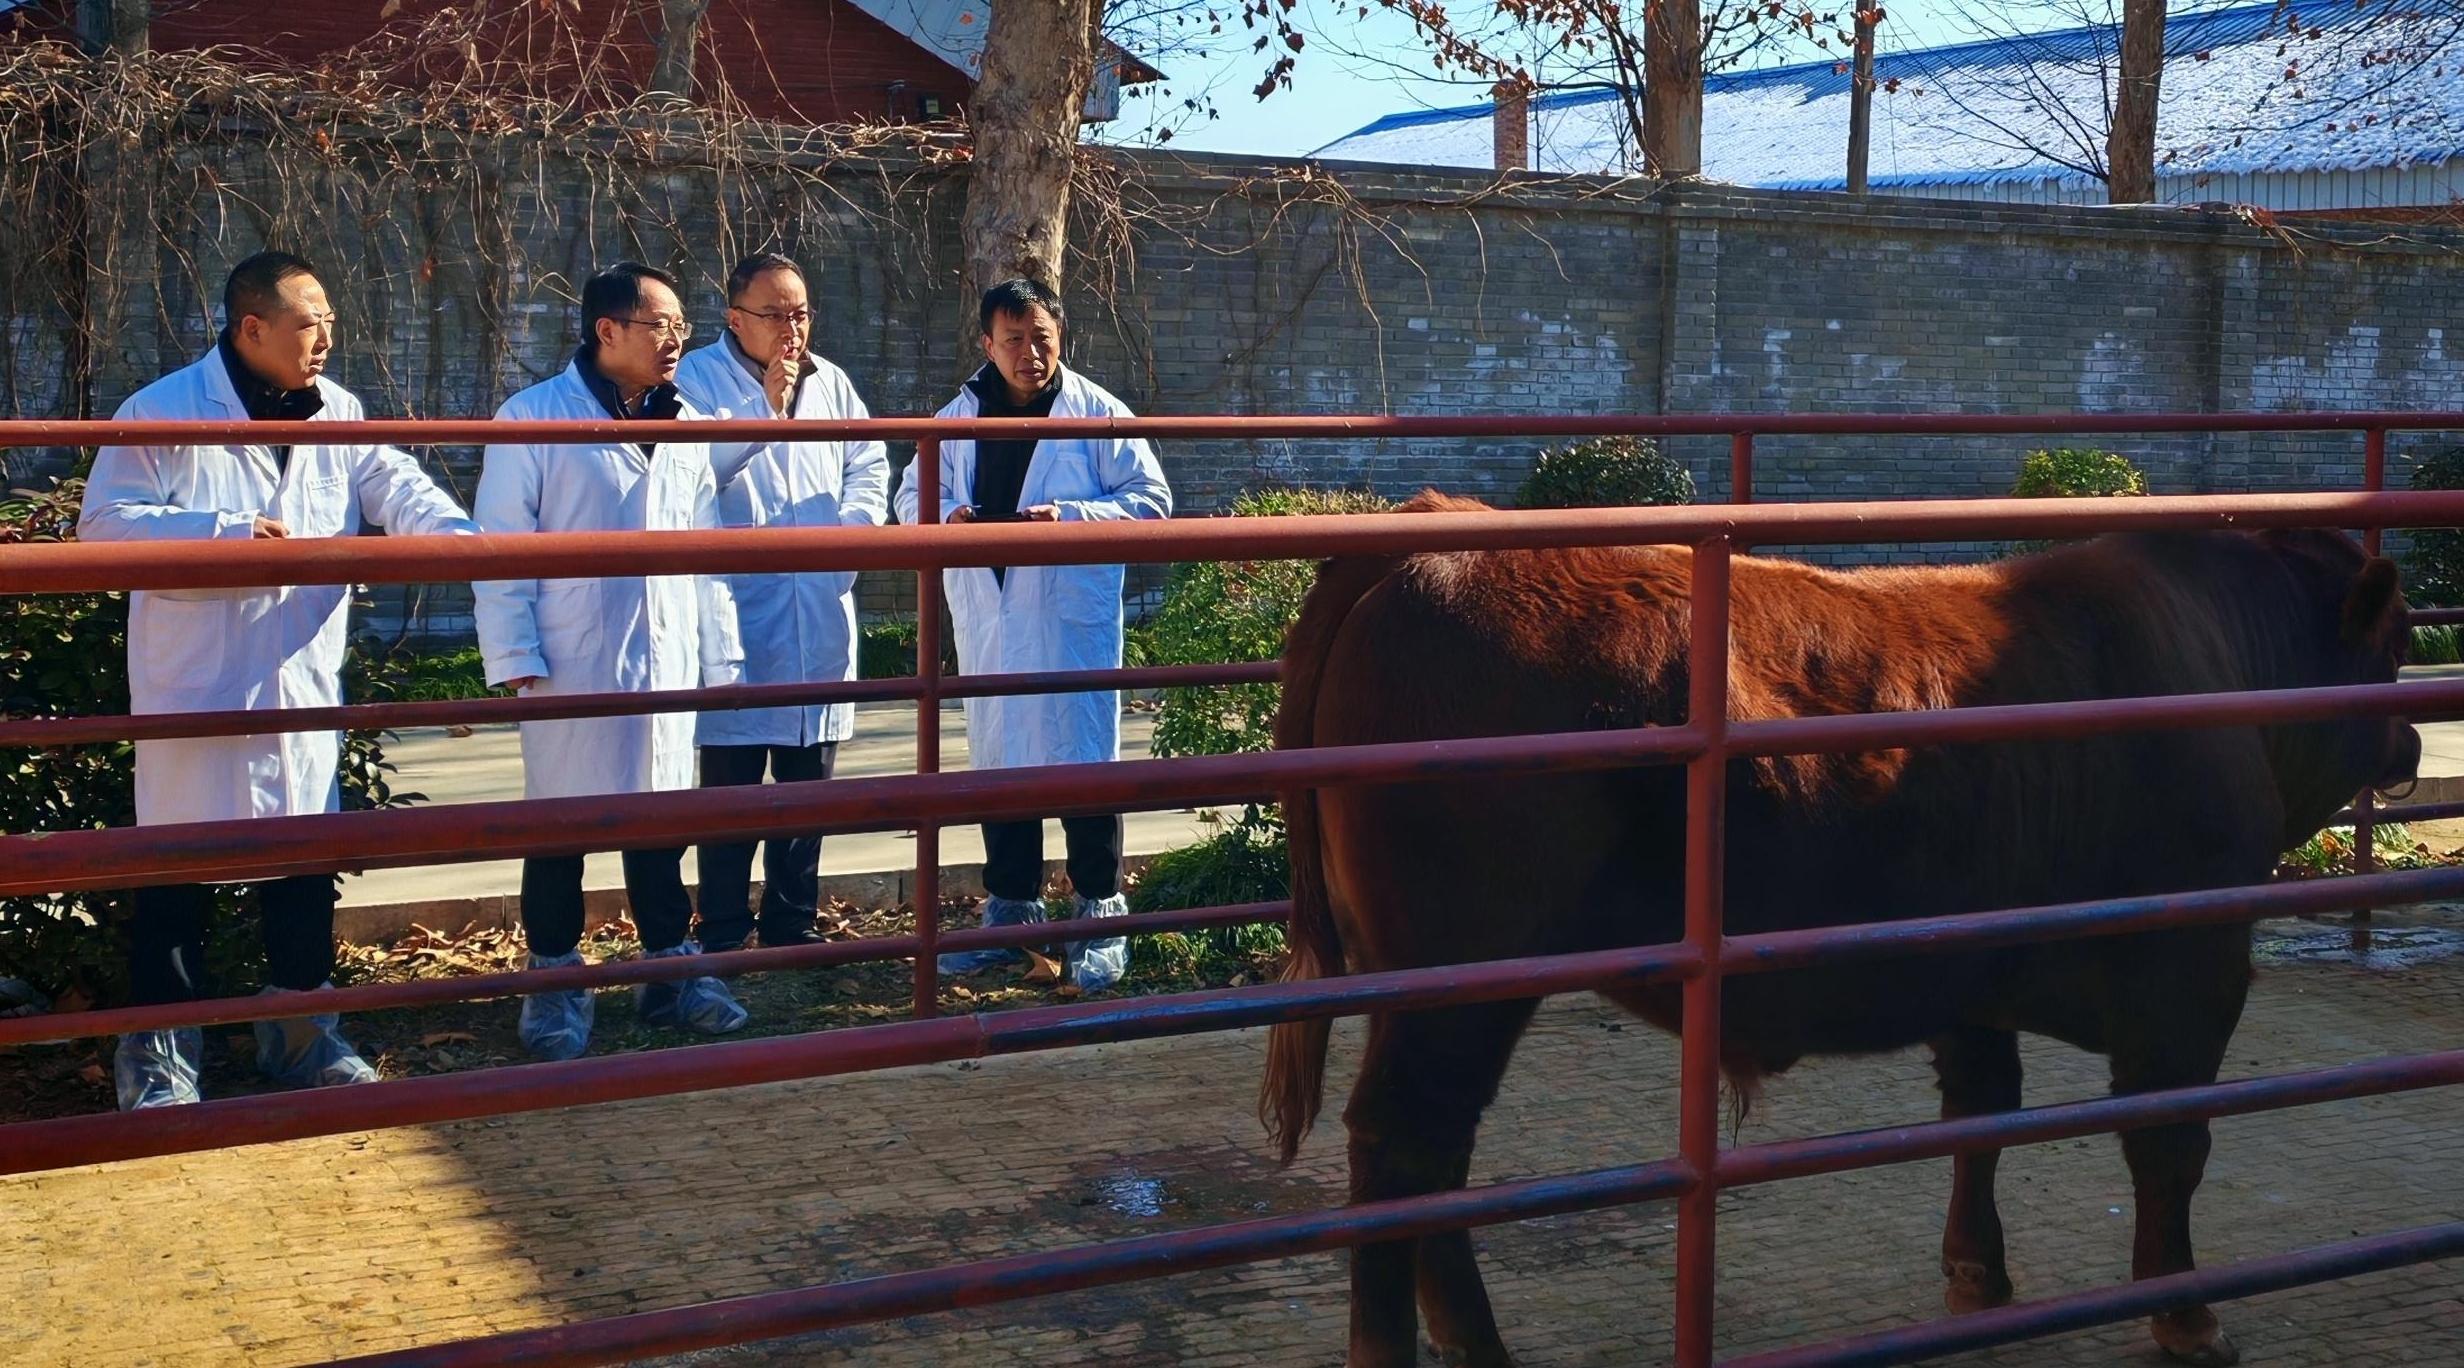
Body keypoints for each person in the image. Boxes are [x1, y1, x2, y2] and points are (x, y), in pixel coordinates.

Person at [78, 250, 478, 1109]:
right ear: (251, 327)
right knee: (174, 874)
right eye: (308, 322)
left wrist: (459, 536)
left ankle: (302, 1035)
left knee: (302, 866)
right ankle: (161, 1059)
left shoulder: (340, 411)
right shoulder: (161, 411)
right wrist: (224, 534)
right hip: (199, 683)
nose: (326, 337)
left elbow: (394, 483)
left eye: (330, 320)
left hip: (298, 680)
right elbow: (104, 525)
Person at [473, 261, 747, 1060]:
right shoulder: (531, 419)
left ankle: (672, 975)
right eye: (662, 326)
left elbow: (710, 553)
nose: (677, 342)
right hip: (569, 660)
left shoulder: (686, 425)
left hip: (665, 661)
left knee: (660, 828)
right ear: (607, 332)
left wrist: (719, 657)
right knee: (559, 829)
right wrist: (515, 652)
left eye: (679, 328)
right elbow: (500, 550)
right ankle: (554, 983)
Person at [893, 277, 1171, 991]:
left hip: (1068, 623)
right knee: (1002, 765)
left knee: (1084, 762)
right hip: (992, 623)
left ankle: (1097, 913)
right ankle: (1011, 908)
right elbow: (908, 498)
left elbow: (1151, 503)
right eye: (1013, 340)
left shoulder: (1100, 415)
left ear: (1060, 338)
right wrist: (947, 514)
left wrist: (1074, 519)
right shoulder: (955, 420)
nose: (1029, 353)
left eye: (1041, 338)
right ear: (987, 344)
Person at [674, 253, 890, 952]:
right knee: (733, 788)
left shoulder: (832, 382)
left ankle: (793, 923)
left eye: (801, 312)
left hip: (818, 602)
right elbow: (687, 475)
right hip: (738, 608)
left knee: (808, 783)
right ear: (736, 320)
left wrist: (852, 533)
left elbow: (869, 463)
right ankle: (726, 926)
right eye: (776, 314)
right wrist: (764, 411)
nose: (793, 328)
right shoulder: (695, 382)